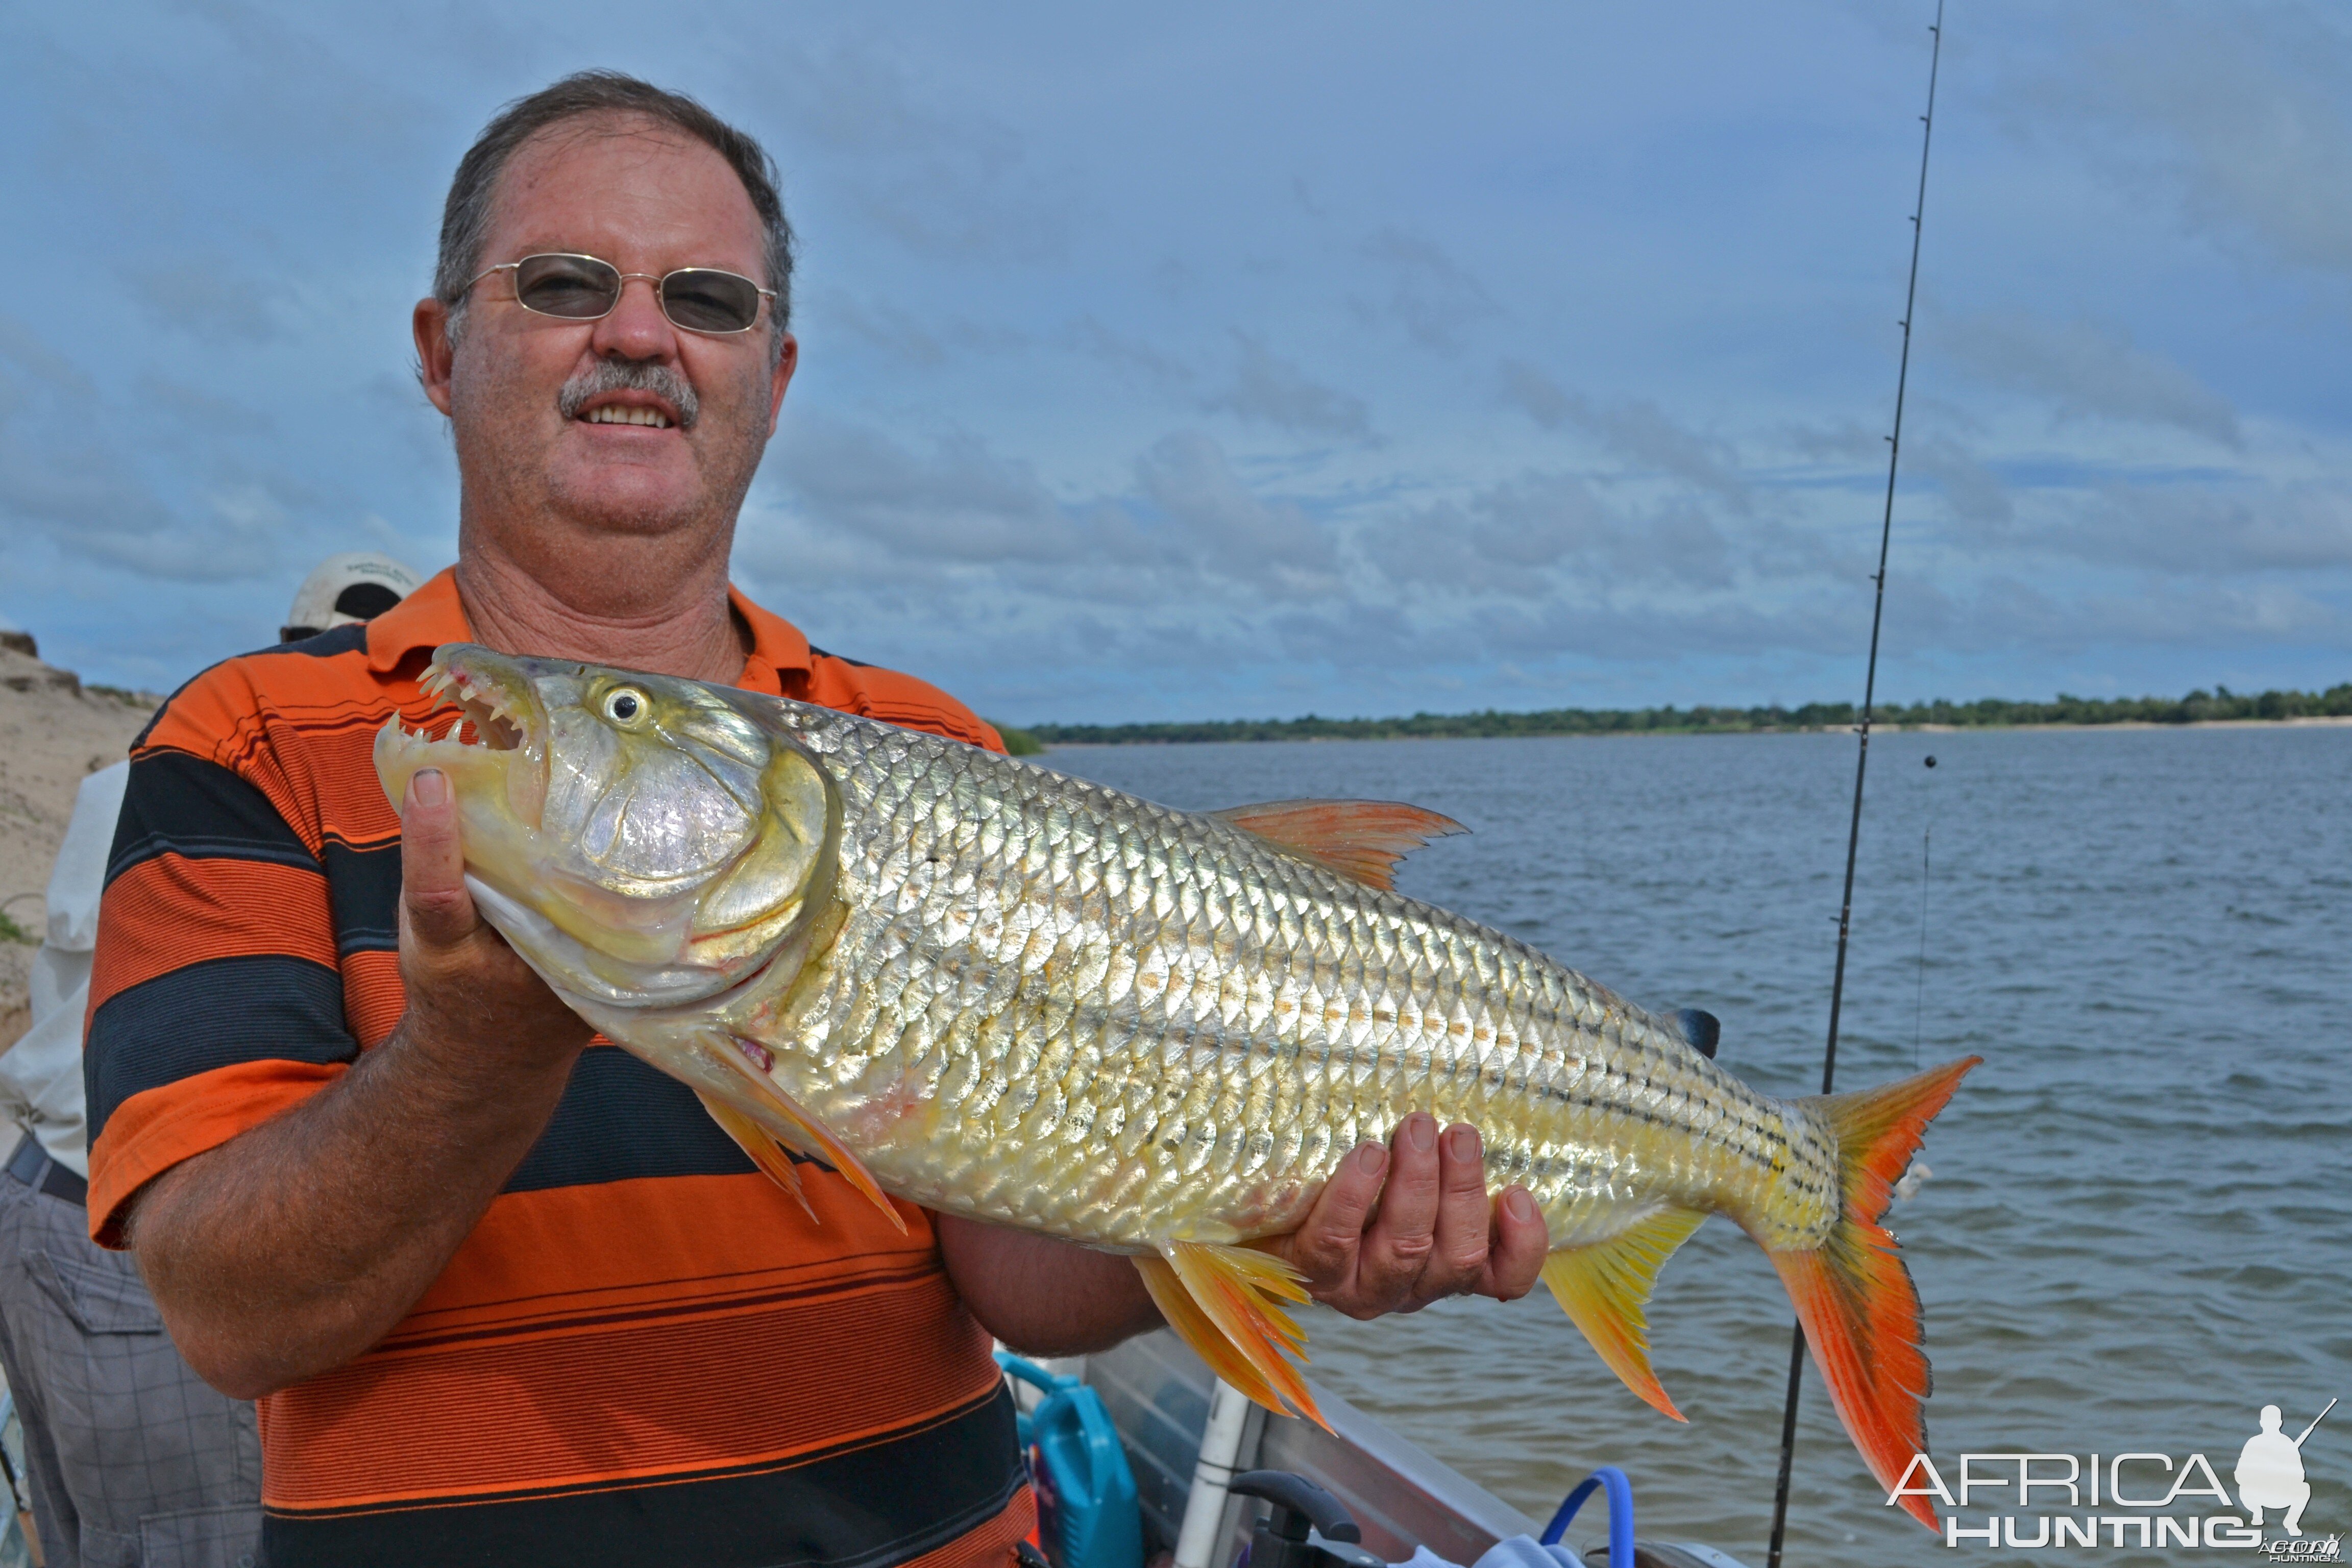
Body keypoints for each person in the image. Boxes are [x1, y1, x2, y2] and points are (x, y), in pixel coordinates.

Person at [84, 72, 1549, 1568]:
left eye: (707, 301)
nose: (640, 333)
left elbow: (1024, 1270)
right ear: (439, 345)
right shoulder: (251, 742)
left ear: (773, 377)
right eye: (566, 282)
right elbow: (225, 1312)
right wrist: (477, 1050)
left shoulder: (928, 750)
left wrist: (1273, 1217)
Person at [0, 556, 416, 1568]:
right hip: (139, 1243)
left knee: (91, 1537)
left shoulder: (133, 777)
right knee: (203, 1540)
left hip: (36, 1199)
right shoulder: (279, 797)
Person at [2235, 1404, 2312, 1536]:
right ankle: (2257, 1513)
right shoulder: (2254, 1443)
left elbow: (2300, 1475)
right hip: (2257, 1495)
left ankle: (2291, 1522)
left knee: (2305, 1488)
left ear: (2261, 1423)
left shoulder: (2287, 1444)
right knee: (2244, 1487)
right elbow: (2240, 1475)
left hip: (2280, 1495)